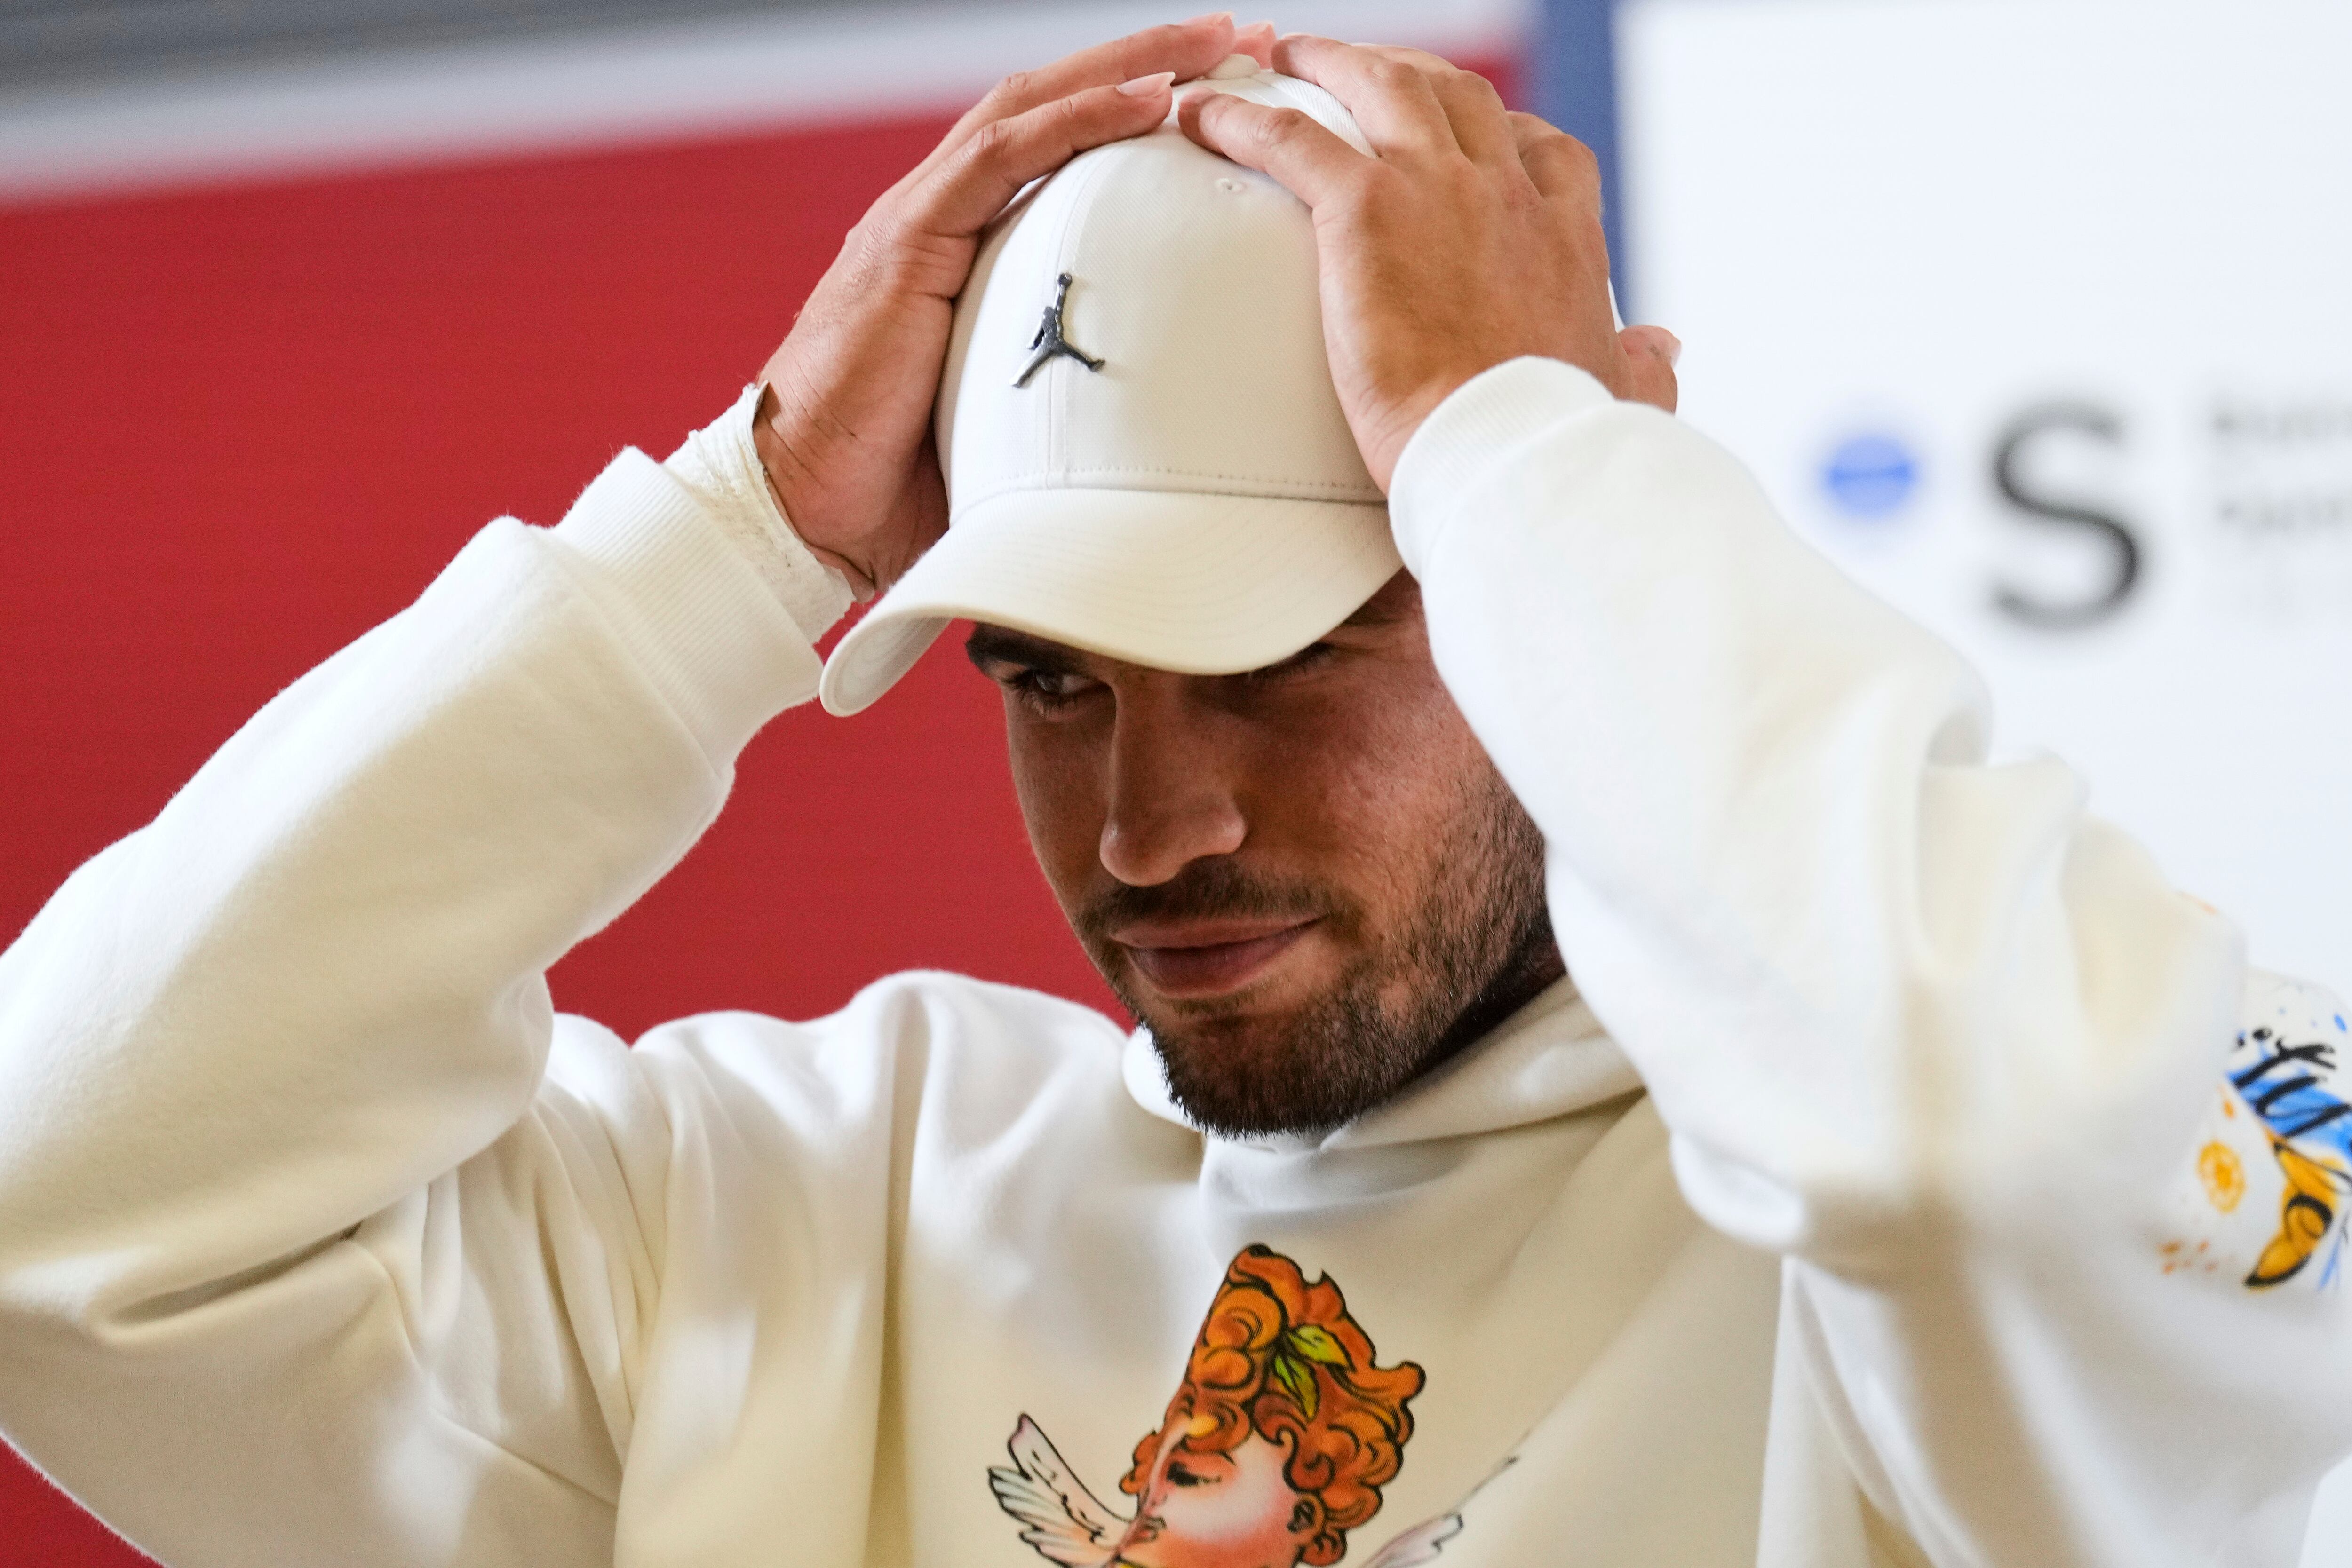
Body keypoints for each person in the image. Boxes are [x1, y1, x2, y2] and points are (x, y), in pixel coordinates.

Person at [0, 13, 2347, 1567]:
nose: (1145, 830)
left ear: (1558, 567)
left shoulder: (2094, 1138)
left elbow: (1970, 1150)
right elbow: (52, 1203)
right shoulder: (808, 1209)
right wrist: (734, 535)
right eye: (1047, 680)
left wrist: (1530, 457)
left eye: (1290, 653)